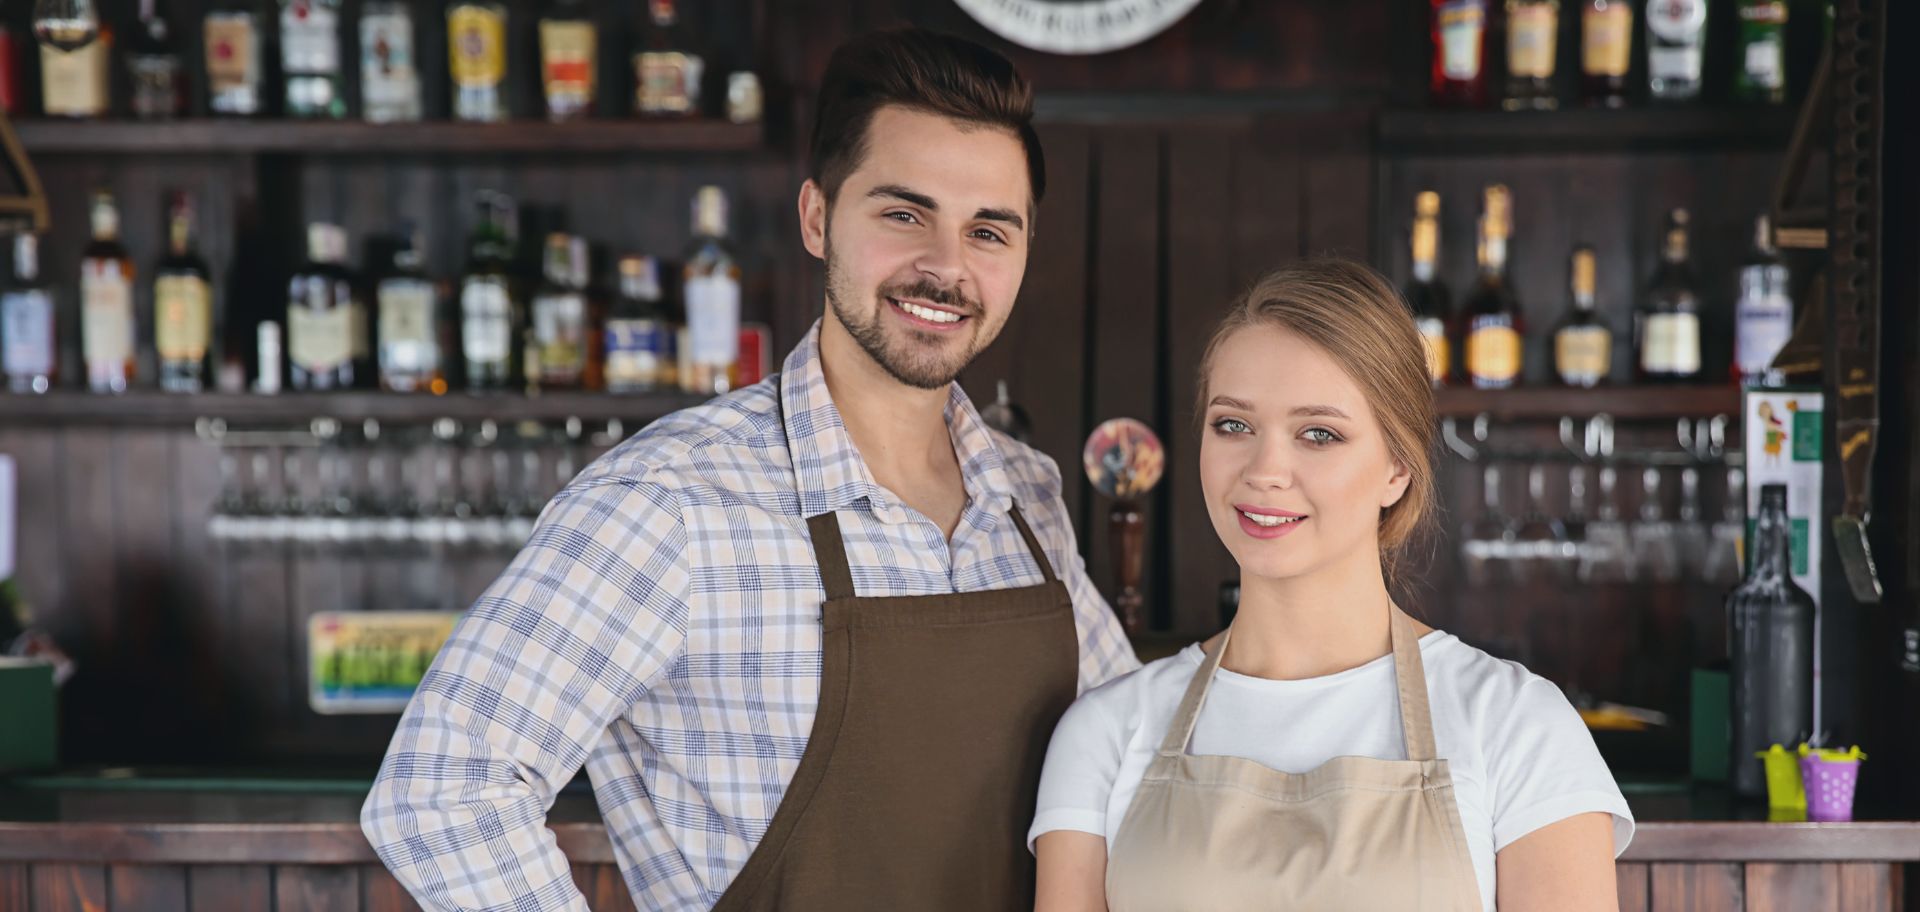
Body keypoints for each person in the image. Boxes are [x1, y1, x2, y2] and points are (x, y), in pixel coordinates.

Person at [363, 28, 1138, 912]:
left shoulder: (1028, 495)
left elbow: (1131, 745)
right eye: (903, 213)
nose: (947, 266)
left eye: (989, 230)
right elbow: (440, 789)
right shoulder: (668, 503)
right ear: (817, 218)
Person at [1030, 259, 1633, 911]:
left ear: (1397, 469)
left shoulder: (1517, 725)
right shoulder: (1106, 731)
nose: (1265, 470)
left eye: (1319, 434)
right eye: (1233, 425)